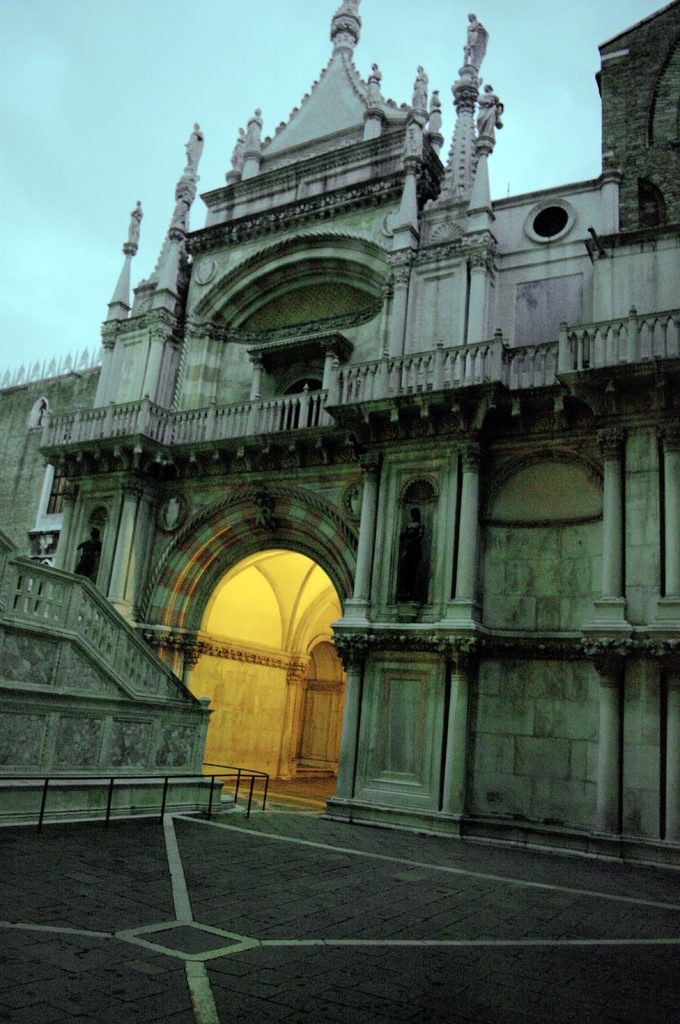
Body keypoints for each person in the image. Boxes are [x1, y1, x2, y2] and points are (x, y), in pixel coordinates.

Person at [398, 508, 424, 600]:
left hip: (415, 548)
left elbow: (420, 535)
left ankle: (411, 591)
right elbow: (402, 535)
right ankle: (405, 590)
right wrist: (404, 534)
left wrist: (412, 542)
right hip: (407, 547)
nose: (414, 515)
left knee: (412, 570)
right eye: (413, 513)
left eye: (415, 513)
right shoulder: (408, 525)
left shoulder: (420, 525)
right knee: (404, 569)